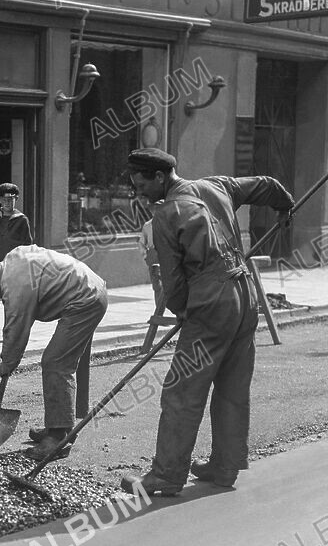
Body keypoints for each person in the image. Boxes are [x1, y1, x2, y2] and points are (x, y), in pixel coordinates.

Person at [119, 148, 295, 496]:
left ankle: (166, 476)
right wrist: (285, 206)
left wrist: (185, 310)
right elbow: (266, 185)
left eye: (142, 185)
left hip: (211, 303)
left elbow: (172, 281)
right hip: (245, 294)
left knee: (181, 391)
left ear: (160, 177)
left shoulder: (166, 215)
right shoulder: (217, 185)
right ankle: (224, 467)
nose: (140, 193)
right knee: (231, 383)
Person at [0, 245, 108, 461]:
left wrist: (7, 363)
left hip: (86, 299)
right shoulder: (11, 260)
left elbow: (16, 329)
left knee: (56, 362)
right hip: (87, 289)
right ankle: (59, 427)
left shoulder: (14, 285)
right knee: (57, 360)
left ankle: (58, 437)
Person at [0, 182, 33, 264]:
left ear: (16, 198)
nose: (7, 203)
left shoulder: (22, 220)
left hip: (15, 263)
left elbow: (27, 245)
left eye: (10, 200)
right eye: (4, 200)